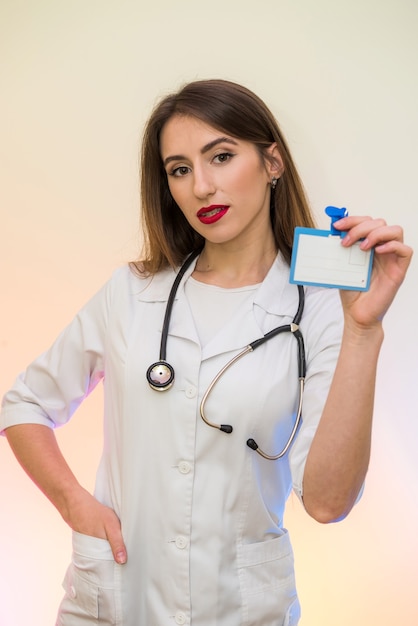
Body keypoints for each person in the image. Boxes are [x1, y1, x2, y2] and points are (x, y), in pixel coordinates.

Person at [0, 79, 412, 626]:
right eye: (179, 169)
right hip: (116, 601)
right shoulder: (132, 292)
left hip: (241, 609)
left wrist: (364, 330)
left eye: (221, 156)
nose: (201, 187)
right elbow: (25, 403)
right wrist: (74, 501)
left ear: (273, 163)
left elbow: (328, 502)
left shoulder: (319, 309)